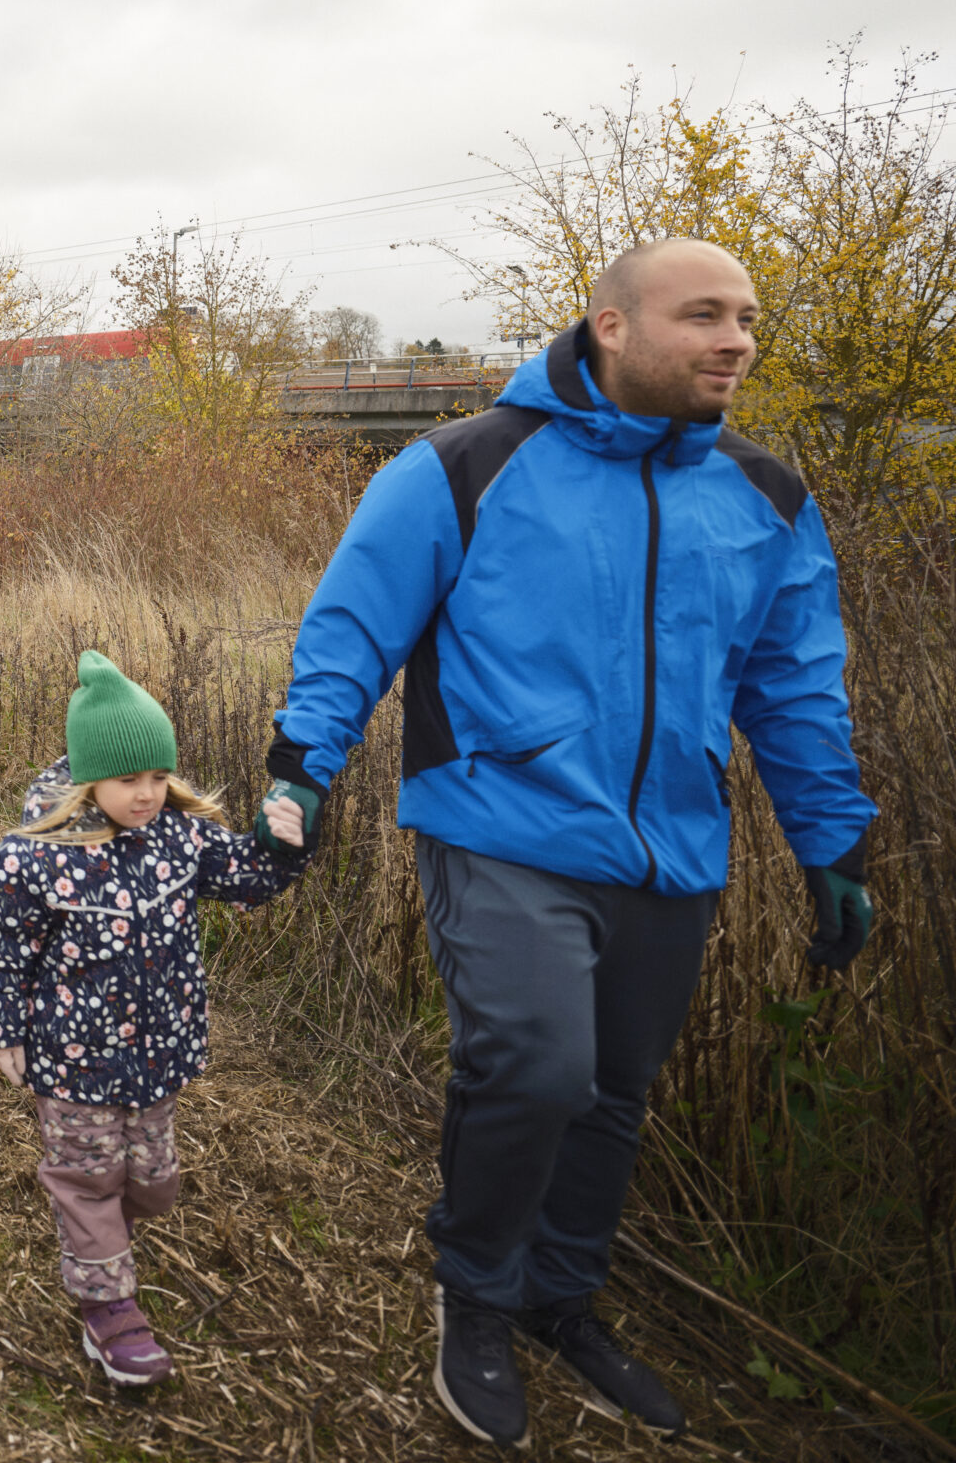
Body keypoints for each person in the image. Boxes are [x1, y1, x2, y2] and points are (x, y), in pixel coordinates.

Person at [268, 239, 877, 1447]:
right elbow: (354, 622)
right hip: (498, 822)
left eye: (745, 317)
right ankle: (476, 1298)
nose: (736, 340)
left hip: (671, 851)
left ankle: (562, 1300)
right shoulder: (466, 463)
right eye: (702, 315)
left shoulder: (766, 496)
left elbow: (794, 685)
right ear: (609, 324)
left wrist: (831, 843)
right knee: (537, 1064)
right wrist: (301, 766)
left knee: (610, 1094)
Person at [0, 653, 308, 1385]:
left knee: (152, 1182)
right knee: (89, 1179)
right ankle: (110, 1312)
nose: (148, 793)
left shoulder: (182, 840)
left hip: (159, 1056)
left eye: (158, 776)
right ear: (91, 777)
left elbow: (250, 877)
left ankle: (109, 1236)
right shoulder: (39, 858)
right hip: (72, 1060)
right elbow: (2, 949)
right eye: (131, 780)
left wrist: (282, 841)